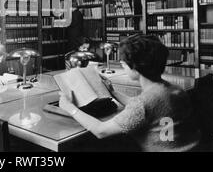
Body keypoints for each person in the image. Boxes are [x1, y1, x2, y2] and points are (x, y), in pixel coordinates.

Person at [59, 34, 201, 152]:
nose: (122, 64)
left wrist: (70, 108)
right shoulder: (175, 90)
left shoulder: (143, 104)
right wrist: (112, 92)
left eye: (124, 63)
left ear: (136, 67)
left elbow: (101, 131)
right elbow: (148, 108)